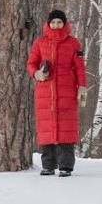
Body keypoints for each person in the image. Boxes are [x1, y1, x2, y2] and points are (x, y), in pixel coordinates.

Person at [26, 10, 86, 177]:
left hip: (67, 90)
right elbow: (31, 63)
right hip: (45, 91)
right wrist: (37, 73)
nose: (56, 25)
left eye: (59, 22)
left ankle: (66, 166)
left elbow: (80, 67)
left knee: (66, 128)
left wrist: (82, 87)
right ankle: (48, 166)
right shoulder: (40, 42)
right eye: (53, 22)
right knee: (46, 129)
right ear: (48, 23)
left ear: (64, 23)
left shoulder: (73, 43)